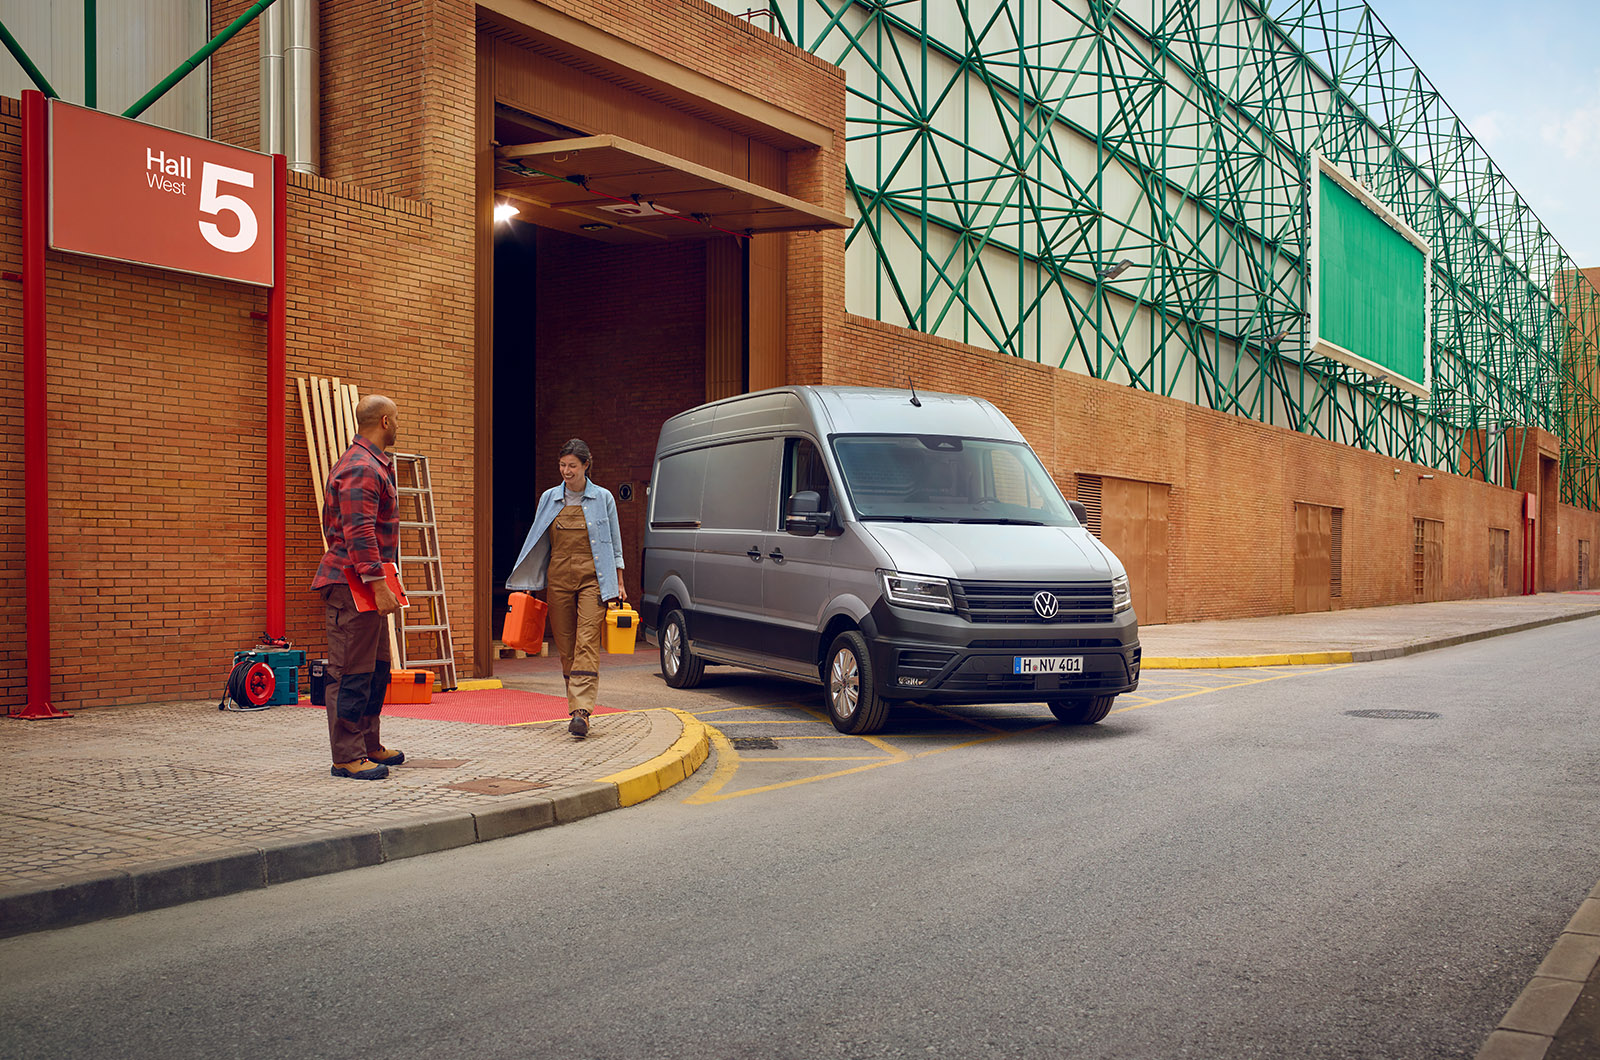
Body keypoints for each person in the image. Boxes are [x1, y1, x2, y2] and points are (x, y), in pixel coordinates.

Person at [311, 394, 406, 779]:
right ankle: (347, 757)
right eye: (396, 419)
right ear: (384, 421)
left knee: (375, 669)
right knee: (350, 671)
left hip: (365, 583)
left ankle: (368, 744)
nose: (397, 425)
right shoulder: (362, 467)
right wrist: (378, 584)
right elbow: (359, 531)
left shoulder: (370, 463)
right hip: (353, 584)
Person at [506, 438, 626, 738]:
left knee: (587, 641)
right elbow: (537, 542)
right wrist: (530, 581)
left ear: (586, 465)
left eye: (572, 465)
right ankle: (575, 706)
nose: (566, 471)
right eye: (562, 465)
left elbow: (614, 543)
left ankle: (581, 712)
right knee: (566, 643)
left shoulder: (603, 498)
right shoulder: (549, 498)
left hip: (594, 578)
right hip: (558, 577)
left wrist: (619, 582)